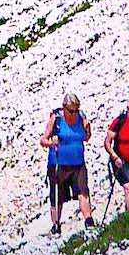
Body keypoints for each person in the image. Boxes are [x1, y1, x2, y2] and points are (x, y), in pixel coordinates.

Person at [41, 94, 94, 234]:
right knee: (58, 195)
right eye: (71, 111)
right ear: (64, 108)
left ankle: (89, 221)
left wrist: (88, 130)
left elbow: (86, 138)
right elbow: (43, 140)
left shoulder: (81, 117)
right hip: (58, 163)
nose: (74, 114)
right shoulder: (56, 119)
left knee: (83, 191)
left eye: (76, 110)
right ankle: (56, 224)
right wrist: (52, 142)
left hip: (78, 163)